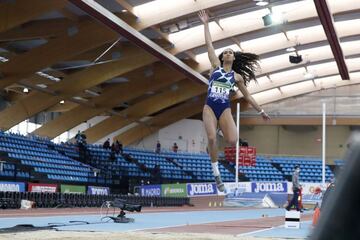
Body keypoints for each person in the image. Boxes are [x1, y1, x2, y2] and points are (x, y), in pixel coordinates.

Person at [198, 10, 270, 192]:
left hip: (224, 108)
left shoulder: (237, 77)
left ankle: (222, 129)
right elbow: (209, 44)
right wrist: (206, 24)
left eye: (231, 52)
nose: (228, 53)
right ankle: (216, 175)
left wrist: (261, 111)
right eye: (226, 52)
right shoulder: (215, 66)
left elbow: (247, 96)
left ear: (234, 57)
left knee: (232, 140)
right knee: (212, 138)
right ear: (222, 57)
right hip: (210, 107)